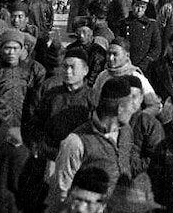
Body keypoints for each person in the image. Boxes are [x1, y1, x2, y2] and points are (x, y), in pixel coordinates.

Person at [51, 76, 140, 205]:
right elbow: (60, 193)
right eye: (131, 104)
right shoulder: (75, 142)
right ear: (120, 108)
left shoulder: (126, 131)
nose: (134, 109)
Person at [25, 48, 96, 163]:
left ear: (85, 70)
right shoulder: (52, 94)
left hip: (82, 158)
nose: (68, 71)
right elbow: (36, 123)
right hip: (52, 156)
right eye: (65, 67)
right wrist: (42, 146)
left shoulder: (93, 98)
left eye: (73, 67)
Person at [0, 28, 46, 129]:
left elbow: (39, 101)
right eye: (7, 48)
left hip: (25, 127)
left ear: (22, 49)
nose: (11, 52)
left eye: (15, 48)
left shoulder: (35, 70)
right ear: (1, 49)